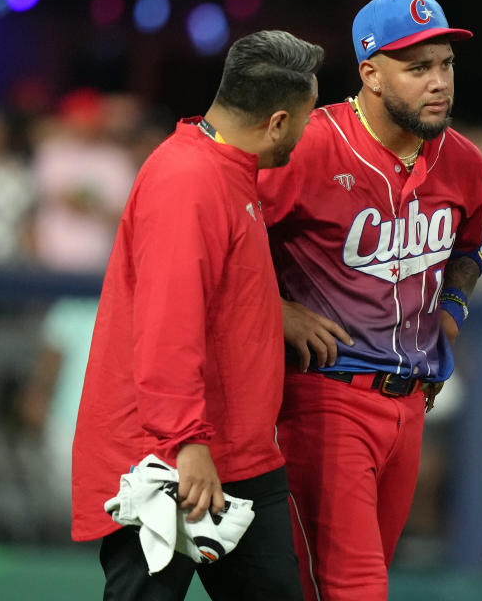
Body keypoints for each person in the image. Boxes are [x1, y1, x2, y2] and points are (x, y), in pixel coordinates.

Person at [71, 30, 323, 601]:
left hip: (241, 453)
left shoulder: (225, 169)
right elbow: (167, 324)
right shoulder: (189, 180)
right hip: (167, 461)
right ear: (279, 122)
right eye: (306, 119)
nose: (304, 135)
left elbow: (211, 287)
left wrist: (270, 311)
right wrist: (187, 443)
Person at [257, 0, 482, 601]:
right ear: (371, 74)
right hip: (323, 396)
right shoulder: (307, 144)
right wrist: (274, 309)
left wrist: (454, 308)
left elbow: (469, 250)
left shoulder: (462, 160)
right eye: (418, 68)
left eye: (446, 65)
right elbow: (225, 237)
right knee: (355, 588)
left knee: (339, 586)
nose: (439, 82)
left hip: (411, 407)